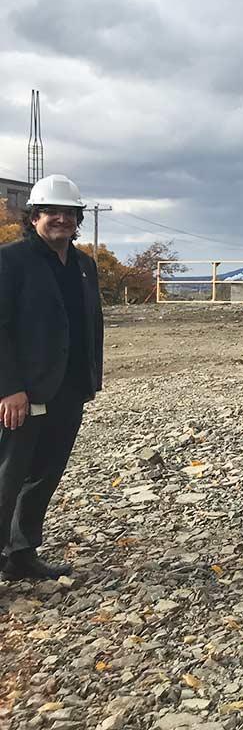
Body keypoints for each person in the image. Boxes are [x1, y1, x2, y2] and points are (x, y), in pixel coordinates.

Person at [0, 175, 103, 581]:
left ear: (78, 219)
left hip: (70, 388)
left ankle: (21, 553)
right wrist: (8, 388)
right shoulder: (10, 260)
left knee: (46, 472)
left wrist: (90, 380)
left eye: (69, 213)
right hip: (23, 391)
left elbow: (88, 323)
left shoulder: (83, 266)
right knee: (8, 476)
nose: (61, 219)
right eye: (51, 212)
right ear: (34, 216)